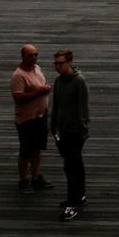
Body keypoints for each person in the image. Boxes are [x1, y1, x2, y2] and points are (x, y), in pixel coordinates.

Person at [51, 48, 91, 222]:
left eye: (60, 63)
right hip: (63, 130)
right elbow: (57, 105)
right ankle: (79, 195)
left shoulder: (79, 82)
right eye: (56, 63)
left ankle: (72, 204)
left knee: (71, 166)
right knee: (74, 164)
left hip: (74, 131)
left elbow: (83, 107)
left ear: (69, 62)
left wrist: (83, 130)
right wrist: (53, 126)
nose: (57, 66)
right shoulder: (59, 81)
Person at [10, 43, 52, 191]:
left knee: (37, 149)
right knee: (26, 151)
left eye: (35, 55)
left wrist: (45, 89)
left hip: (40, 116)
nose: (34, 58)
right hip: (27, 119)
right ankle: (23, 180)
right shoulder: (18, 75)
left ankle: (35, 177)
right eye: (30, 55)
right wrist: (39, 93)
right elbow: (18, 98)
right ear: (23, 56)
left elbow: (41, 85)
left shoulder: (37, 68)